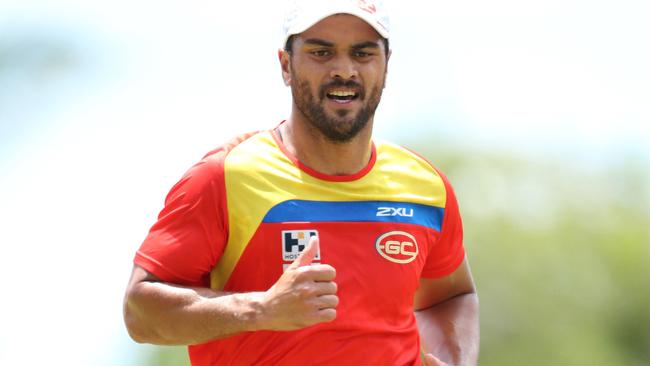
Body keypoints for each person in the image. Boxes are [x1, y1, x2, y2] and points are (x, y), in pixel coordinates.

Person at [123, 0, 479, 365]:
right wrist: (259, 309)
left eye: (362, 53)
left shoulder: (425, 188)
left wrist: (455, 360)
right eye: (321, 52)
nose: (344, 70)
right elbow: (140, 313)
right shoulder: (225, 176)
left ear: (386, 66)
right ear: (285, 65)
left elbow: (450, 297)